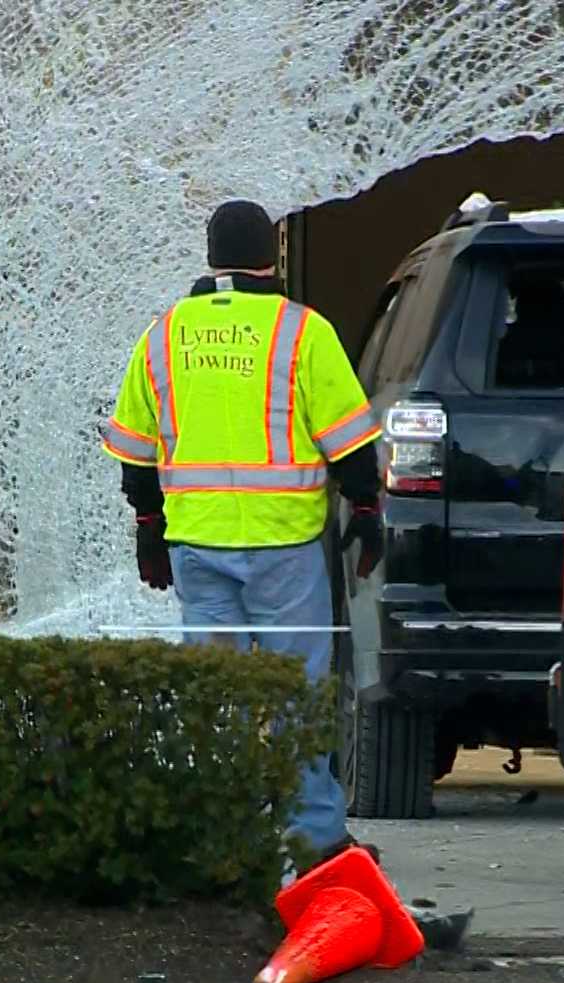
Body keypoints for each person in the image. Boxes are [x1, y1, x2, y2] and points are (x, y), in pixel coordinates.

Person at [101, 199, 384, 871]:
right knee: (298, 697)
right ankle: (314, 840)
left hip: (197, 549)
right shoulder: (302, 332)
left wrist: (148, 527)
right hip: (284, 549)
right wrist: (367, 513)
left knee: (215, 697)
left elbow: (134, 449)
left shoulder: (167, 333)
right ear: (273, 258)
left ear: (210, 257)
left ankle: (220, 835)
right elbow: (349, 443)